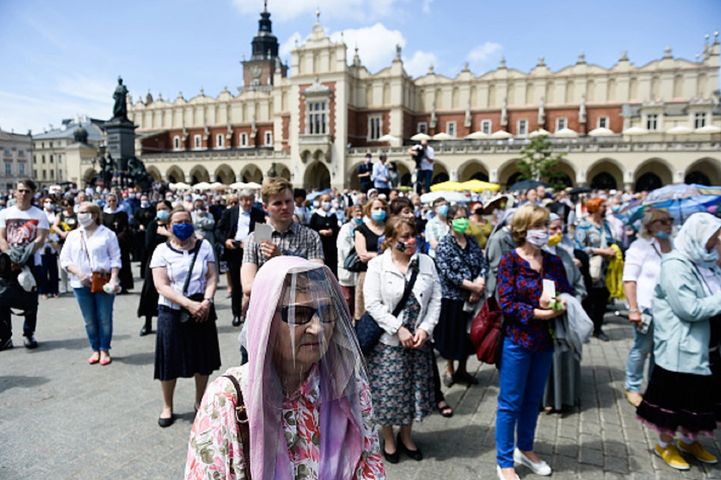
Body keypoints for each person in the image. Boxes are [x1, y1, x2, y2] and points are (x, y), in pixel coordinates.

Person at [185, 257, 385, 479]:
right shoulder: (227, 399)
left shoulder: (346, 384)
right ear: (266, 319)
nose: (317, 328)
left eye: (327, 313)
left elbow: (370, 464)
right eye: (299, 314)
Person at [636, 213, 721, 471]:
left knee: (697, 401)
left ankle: (689, 441)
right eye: (712, 238)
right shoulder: (675, 264)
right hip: (682, 348)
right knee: (673, 402)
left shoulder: (707, 262)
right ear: (697, 237)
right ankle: (665, 444)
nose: (715, 243)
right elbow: (689, 309)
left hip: (707, 346)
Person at [495, 204, 572, 480]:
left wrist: (560, 302)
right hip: (518, 340)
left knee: (532, 400)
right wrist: (537, 312)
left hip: (545, 341)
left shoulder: (553, 261)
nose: (544, 232)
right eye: (538, 226)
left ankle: (525, 449)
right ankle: (504, 461)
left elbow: (567, 291)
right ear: (522, 229)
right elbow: (505, 302)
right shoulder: (509, 261)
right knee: (510, 402)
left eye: (546, 226)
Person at [364, 216, 441, 463]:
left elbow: (436, 299)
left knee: (412, 392)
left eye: (413, 236)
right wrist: (398, 328)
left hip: (418, 342)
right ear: (389, 240)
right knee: (388, 393)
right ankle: (388, 438)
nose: (411, 241)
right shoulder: (377, 265)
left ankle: (407, 436)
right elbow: (372, 304)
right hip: (389, 343)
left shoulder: (426, 262)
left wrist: (426, 329)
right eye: (404, 237)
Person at [151, 205, 220, 428]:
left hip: (202, 307)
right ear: (169, 227)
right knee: (169, 360)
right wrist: (189, 304)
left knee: (202, 360)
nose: (183, 225)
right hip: (172, 311)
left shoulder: (204, 246)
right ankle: (167, 405)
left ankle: (200, 402)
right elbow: (161, 285)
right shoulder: (161, 251)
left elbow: (211, 276)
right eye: (178, 222)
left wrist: (207, 301)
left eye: (186, 221)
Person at [622, 209, 673, 408]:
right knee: (642, 348)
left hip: (669, 309)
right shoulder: (639, 246)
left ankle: (654, 387)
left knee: (660, 351)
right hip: (647, 307)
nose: (668, 225)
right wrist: (633, 309)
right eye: (662, 221)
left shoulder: (674, 246)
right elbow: (629, 280)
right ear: (650, 225)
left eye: (670, 220)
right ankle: (632, 387)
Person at [59, 202, 121, 366]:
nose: (80, 215)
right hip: (80, 283)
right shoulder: (73, 235)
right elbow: (65, 260)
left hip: (103, 281)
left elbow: (115, 259)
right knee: (89, 319)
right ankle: (95, 348)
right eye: (79, 212)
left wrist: (114, 278)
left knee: (104, 317)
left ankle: (104, 348)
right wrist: (79, 274)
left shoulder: (107, 234)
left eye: (84, 212)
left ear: (94, 215)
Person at [434, 204, 487, 385]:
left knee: (468, 336)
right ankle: (449, 369)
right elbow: (447, 272)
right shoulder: (444, 244)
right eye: (459, 218)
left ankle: (463, 369)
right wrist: (471, 287)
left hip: (473, 298)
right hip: (453, 297)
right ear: (450, 222)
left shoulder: (472, 242)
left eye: (465, 217)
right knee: (452, 335)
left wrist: (479, 284)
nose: (463, 221)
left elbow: (482, 264)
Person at [543, 213, 587, 412]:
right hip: (544, 317)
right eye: (553, 229)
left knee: (566, 356)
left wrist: (572, 303)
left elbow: (578, 283)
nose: (558, 232)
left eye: (560, 228)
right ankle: (545, 400)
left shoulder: (564, 253)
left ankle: (565, 397)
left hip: (567, 316)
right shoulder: (536, 255)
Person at [0, 179, 49, 350]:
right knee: (2, 299)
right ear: (15, 192)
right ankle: (5, 337)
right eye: (20, 190)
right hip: (7, 263)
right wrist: (11, 256)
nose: (23, 194)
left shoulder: (39, 214)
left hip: (31, 262)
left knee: (30, 300)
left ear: (33, 193)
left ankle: (29, 334)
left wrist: (24, 255)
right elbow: (1, 237)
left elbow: (41, 238)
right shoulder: (5, 213)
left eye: (27, 191)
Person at [216, 188, 266, 326]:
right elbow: (218, 230)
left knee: (253, 284)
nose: (248, 202)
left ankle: (252, 313)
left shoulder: (259, 214)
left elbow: (263, 234)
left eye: (251, 199)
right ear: (240, 200)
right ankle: (237, 314)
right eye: (245, 200)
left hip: (251, 251)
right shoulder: (229, 212)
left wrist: (252, 243)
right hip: (234, 250)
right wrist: (226, 241)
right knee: (237, 284)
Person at [575, 197, 616, 341]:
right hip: (590, 267)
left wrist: (612, 248)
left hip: (605, 267)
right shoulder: (584, 225)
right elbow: (579, 247)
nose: (605, 208)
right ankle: (586, 328)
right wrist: (599, 251)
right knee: (589, 298)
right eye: (602, 206)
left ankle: (598, 328)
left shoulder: (606, 225)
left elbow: (612, 240)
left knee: (602, 298)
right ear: (594, 208)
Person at [137, 200, 173, 336]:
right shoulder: (153, 225)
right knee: (150, 291)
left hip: (172, 262)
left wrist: (166, 234)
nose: (161, 211)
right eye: (159, 209)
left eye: (164, 208)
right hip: (154, 263)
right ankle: (147, 323)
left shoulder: (173, 226)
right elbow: (148, 244)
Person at [353, 198, 387, 321]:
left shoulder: (389, 228)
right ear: (369, 211)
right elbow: (363, 255)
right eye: (376, 208)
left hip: (387, 275)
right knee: (363, 312)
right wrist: (383, 255)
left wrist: (373, 255)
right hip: (367, 274)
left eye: (383, 208)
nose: (380, 211)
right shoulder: (361, 229)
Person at [102, 193, 133, 294]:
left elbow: (125, 228)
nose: (112, 203)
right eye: (109, 201)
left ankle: (123, 286)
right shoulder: (104, 214)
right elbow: (103, 228)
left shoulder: (122, 213)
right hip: (108, 242)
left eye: (113, 200)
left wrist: (118, 237)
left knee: (123, 263)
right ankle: (110, 284)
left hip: (121, 242)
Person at [337, 204, 363, 318]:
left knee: (358, 301)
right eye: (357, 211)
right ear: (351, 213)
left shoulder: (363, 226)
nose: (360, 213)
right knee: (347, 300)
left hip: (360, 269)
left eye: (361, 211)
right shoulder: (346, 228)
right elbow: (344, 249)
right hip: (348, 268)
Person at [309, 193, 340, 277]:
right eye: (325, 201)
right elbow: (311, 229)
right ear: (320, 202)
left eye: (329, 201)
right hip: (320, 245)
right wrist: (320, 231)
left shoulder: (332, 215)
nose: (327, 203)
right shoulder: (315, 215)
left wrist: (332, 231)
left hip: (331, 246)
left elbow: (336, 228)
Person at [54, 199, 78, 294]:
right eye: (65, 205)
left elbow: (79, 226)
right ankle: (64, 287)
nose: (68, 207)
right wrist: (62, 233)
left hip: (74, 241)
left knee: (74, 262)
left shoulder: (76, 215)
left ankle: (75, 284)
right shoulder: (60, 215)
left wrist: (71, 233)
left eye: (70, 204)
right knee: (63, 264)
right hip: (62, 241)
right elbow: (55, 226)